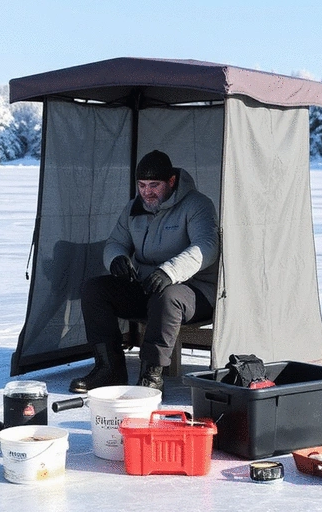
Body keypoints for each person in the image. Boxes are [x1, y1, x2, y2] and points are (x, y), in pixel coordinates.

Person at [69, 150, 219, 394]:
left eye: (154, 185)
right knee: (94, 289)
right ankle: (109, 368)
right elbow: (115, 242)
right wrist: (116, 259)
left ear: (171, 182)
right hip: (147, 286)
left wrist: (169, 272)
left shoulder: (197, 205)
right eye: (142, 185)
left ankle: (152, 374)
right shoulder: (134, 209)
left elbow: (207, 247)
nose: (147, 192)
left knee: (168, 297)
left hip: (194, 291)